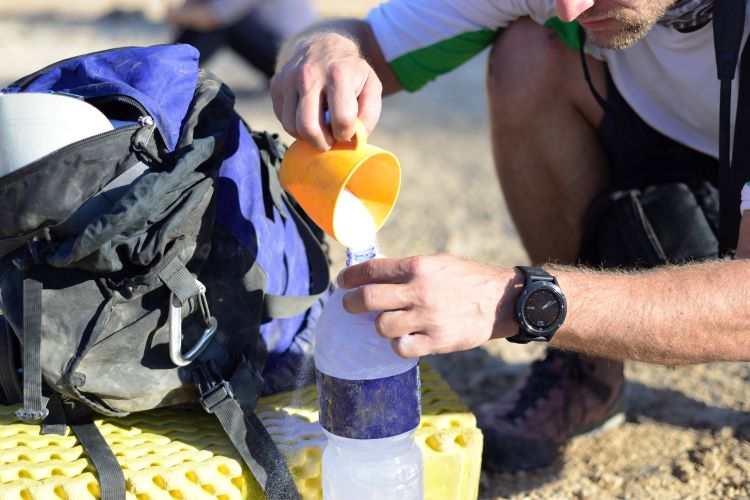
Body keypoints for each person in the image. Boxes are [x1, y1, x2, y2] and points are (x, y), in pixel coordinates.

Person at [270, 0, 750, 472]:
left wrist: (522, 300)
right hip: (677, 174)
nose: (568, 9)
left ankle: (565, 327)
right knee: (528, 50)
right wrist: (324, 49)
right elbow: (364, 37)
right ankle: (584, 370)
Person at [167, 0, 315, 80]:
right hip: (277, 50)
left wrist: (178, 14)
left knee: (224, 24)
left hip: (290, 58)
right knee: (219, 20)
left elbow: (214, 16)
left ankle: (169, 70)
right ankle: (168, 67)